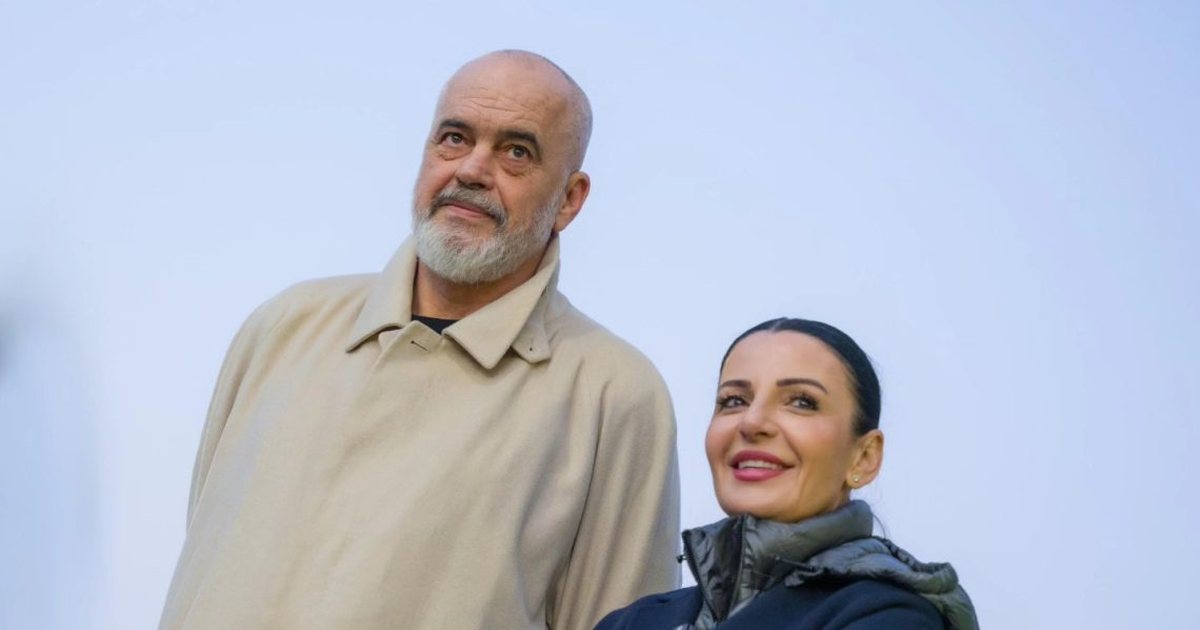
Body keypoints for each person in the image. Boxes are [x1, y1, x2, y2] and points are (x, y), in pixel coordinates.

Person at [158, 50, 680, 630]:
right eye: (454, 138)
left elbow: (626, 617)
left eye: (516, 151)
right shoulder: (284, 326)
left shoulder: (614, 394)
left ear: (570, 198)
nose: (472, 170)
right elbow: (203, 557)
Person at [595, 318, 978, 629]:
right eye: (734, 400)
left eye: (801, 402)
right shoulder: (634, 621)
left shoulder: (892, 617)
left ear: (864, 457)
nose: (752, 422)